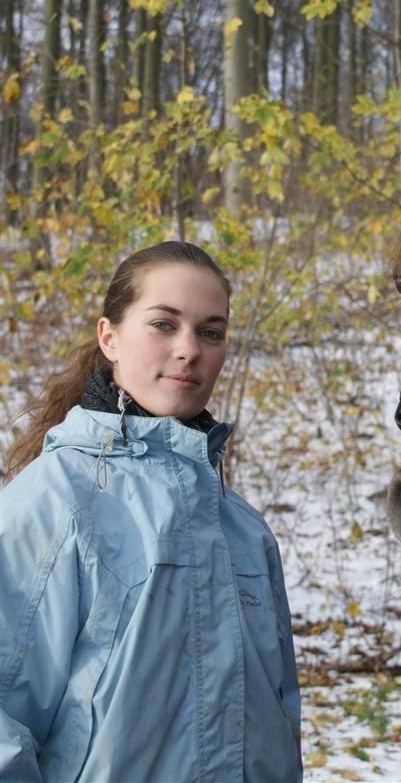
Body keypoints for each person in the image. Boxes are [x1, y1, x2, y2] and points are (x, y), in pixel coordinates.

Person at [0, 241, 301, 783]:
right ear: (108, 337)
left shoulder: (244, 529)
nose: (190, 350)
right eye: (164, 324)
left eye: (211, 332)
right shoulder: (51, 505)